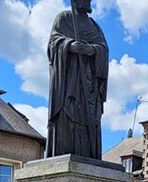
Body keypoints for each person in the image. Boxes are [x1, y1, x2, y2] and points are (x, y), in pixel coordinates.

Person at [46, 0, 108, 159]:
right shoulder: (64, 18)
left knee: (90, 120)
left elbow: (103, 48)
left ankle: (88, 155)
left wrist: (92, 50)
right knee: (68, 115)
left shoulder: (94, 25)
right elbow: (53, 43)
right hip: (69, 82)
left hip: (90, 84)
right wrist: (69, 45)